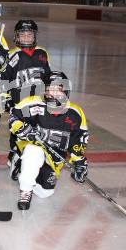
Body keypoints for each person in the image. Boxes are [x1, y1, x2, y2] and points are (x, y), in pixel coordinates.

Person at [9, 71, 89, 210]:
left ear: (66, 91)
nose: (53, 94)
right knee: (33, 152)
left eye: (57, 91)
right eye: (49, 90)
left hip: (54, 156)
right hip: (33, 146)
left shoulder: (75, 113)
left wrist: (79, 161)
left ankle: (25, 168)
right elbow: (14, 117)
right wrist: (22, 128)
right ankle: (25, 189)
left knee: (45, 192)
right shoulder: (33, 103)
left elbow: (78, 139)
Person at [1, 20, 51, 179]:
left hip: (39, 101)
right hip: (19, 102)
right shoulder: (11, 55)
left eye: (30, 34)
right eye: (23, 34)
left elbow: (48, 75)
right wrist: (6, 98)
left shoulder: (42, 53)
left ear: (35, 36)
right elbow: (4, 80)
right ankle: (14, 156)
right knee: (18, 131)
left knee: (39, 129)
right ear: (16, 36)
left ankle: (35, 158)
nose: (27, 37)